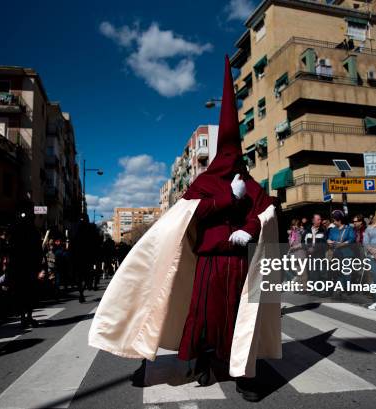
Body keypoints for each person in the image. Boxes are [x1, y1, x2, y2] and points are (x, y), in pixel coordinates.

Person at [89, 56, 281, 402]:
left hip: (240, 262)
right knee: (206, 316)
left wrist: (250, 228)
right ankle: (204, 362)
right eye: (227, 155)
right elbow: (187, 214)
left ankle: (243, 375)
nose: (233, 164)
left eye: (236, 157)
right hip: (208, 262)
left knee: (242, 320)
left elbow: (265, 210)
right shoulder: (205, 183)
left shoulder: (249, 183)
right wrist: (225, 200)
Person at [7, 205, 43, 328]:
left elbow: (10, 250)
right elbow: (38, 251)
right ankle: (27, 316)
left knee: (22, 292)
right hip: (27, 266)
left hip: (20, 266)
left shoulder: (14, 230)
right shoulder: (34, 232)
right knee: (29, 292)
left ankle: (25, 317)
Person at [326, 210, 355, 291]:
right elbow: (329, 238)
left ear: (339, 220)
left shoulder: (348, 228)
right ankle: (340, 288)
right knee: (338, 271)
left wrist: (342, 244)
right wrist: (329, 242)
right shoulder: (333, 229)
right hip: (336, 253)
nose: (334, 222)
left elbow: (352, 239)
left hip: (346, 253)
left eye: (335, 220)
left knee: (346, 272)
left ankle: (347, 289)